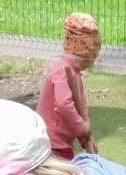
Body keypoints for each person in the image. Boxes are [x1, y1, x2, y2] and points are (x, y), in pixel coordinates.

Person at [37, 12, 100, 160]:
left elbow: (80, 109)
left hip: (61, 141)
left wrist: (86, 137)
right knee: (64, 172)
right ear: (85, 55)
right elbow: (63, 104)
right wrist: (81, 128)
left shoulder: (74, 72)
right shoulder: (63, 72)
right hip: (52, 142)